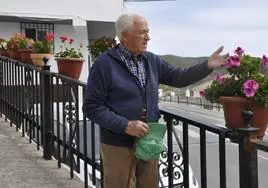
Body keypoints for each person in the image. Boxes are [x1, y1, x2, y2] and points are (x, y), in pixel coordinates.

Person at [82, 13, 228, 188]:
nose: (148, 37)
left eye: (148, 32)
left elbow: (179, 77)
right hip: (119, 146)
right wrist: (125, 125)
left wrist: (206, 66)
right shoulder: (104, 64)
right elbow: (91, 107)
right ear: (124, 36)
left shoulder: (151, 60)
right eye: (142, 33)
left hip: (149, 142)